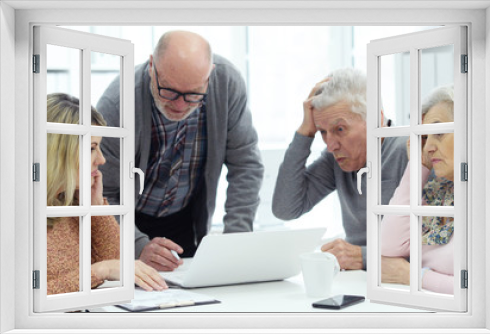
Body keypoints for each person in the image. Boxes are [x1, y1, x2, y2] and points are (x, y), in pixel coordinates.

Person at [97, 31, 264, 272]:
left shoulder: (227, 84)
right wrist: (136, 244)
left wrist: (235, 240)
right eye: (169, 91)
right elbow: (104, 193)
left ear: (209, 76)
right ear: (152, 66)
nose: (179, 105)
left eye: (193, 95)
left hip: (185, 219)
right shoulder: (118, 103)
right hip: (128, 221)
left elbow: (246, 165)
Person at [272, 68, 408, 270]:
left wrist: (362, 257)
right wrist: (305, 132)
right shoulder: (336, 159)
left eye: (340, 129)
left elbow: (435, 249)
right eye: (322, 132)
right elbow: (285, 209)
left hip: (400, 285)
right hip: (358, 280)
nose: (330, 145)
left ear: (376, 120)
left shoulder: (409, 151)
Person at [46, 93, 167, 295]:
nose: (101, 160)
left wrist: (97, 208)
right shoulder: (18, 211)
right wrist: (100, 271)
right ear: (59, 152)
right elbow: (26, 296)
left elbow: (119, 264)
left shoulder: (72, 203)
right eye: (92, 148)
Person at [381, 85, 455, 294]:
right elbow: (388, 247)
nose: (428, 148)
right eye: (424, 138)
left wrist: (411, 276)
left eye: (438, 133)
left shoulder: (487, 194)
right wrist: (417, 166)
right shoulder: (437, 190)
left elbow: (481, 288)